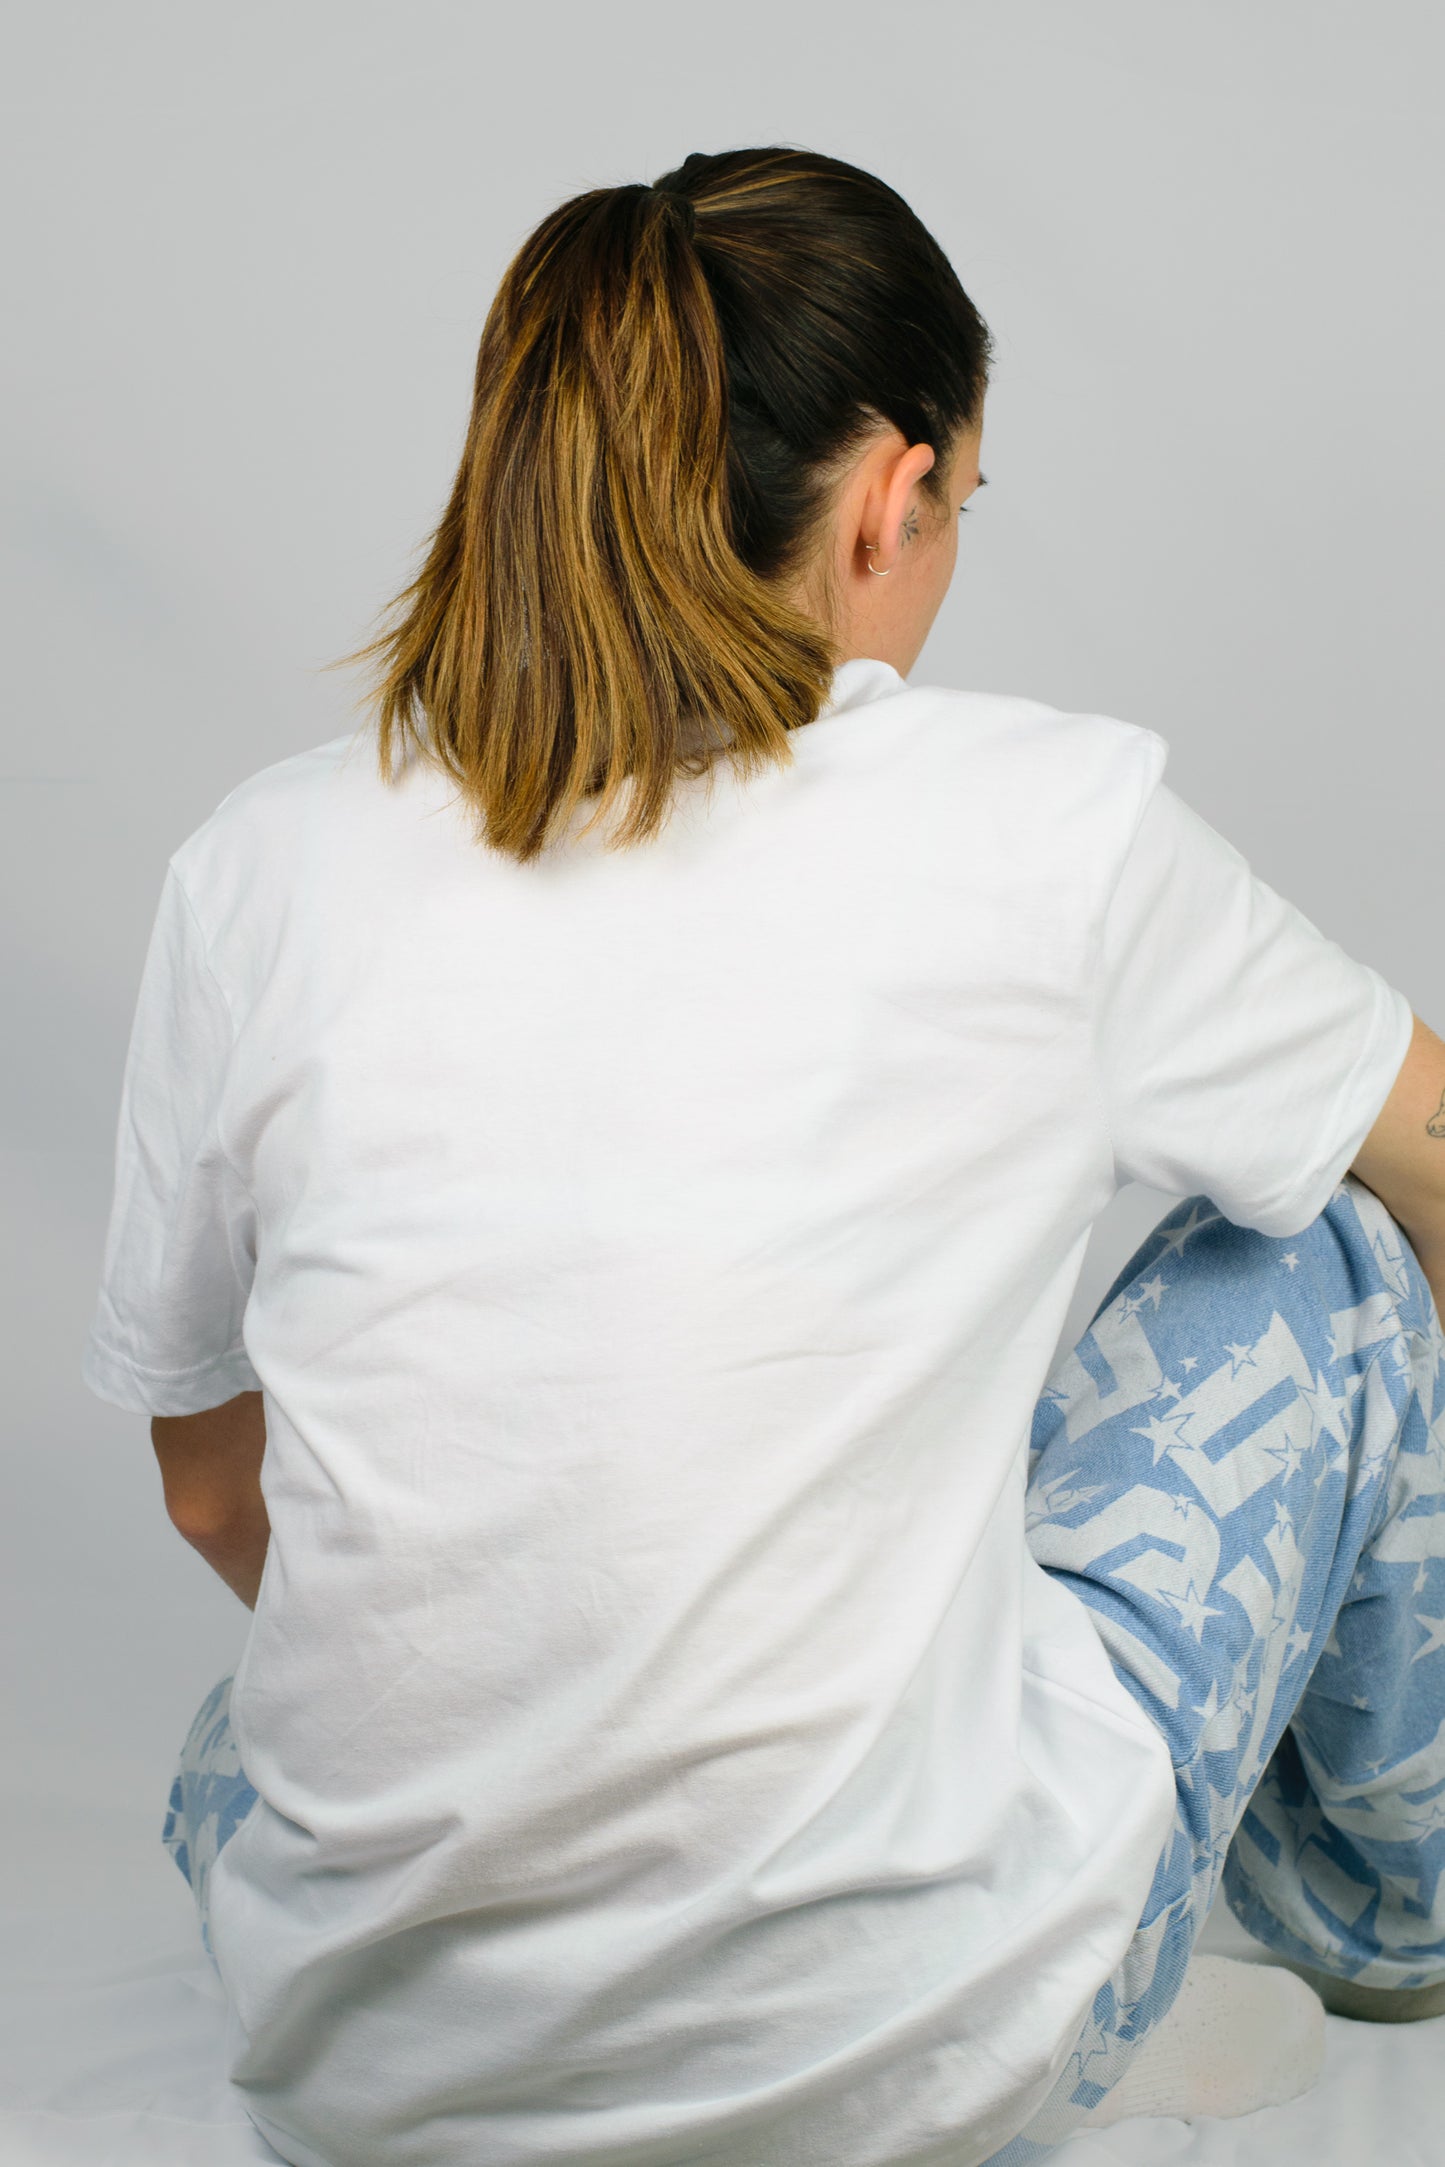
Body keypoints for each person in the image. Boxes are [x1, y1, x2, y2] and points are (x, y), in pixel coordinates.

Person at [80, 145, 1445, 2167]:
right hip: (926, 2052)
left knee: (248, 1743)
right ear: (895, 494)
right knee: (1333, 1233)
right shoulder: (1046, 831)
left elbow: (214, 1494)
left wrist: (553, 1713)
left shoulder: (256, 868)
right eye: (962, 506)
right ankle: (1379, 1929)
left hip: (368, 2084)